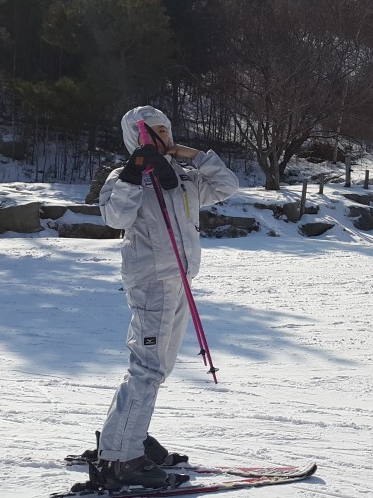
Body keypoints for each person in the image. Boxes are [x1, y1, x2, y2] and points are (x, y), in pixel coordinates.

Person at [93, 105, 241, 490]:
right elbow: (115, 218)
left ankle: (126, 436)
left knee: (158, 366)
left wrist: (194, 155)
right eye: (153, 131)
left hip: (180, 280)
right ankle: (121, 457)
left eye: (165, 129)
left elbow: (227, 186)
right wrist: (134, 172)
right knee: (148, 368)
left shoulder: (182, 175)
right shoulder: (125, 177)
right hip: (152, 280)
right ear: (137, 136)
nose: (163, 136)